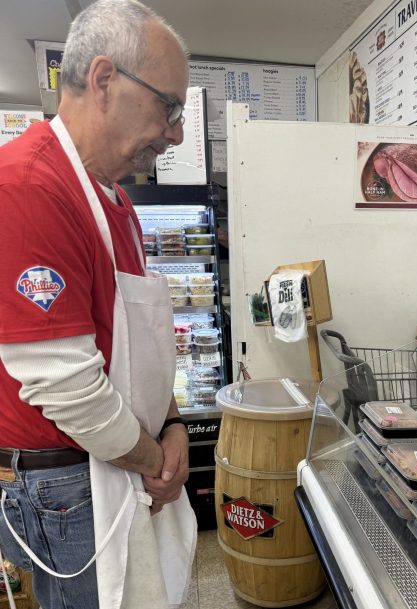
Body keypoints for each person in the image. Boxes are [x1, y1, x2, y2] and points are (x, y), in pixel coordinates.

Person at [0, 2, 196, 608]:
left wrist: (174, 427)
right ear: (106, 80)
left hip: (119, 461)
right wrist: (152, 462)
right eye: (170, 107)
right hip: (67, 483)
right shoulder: (30, 186)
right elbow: (63, 383)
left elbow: (145, 345)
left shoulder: (116, 203)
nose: (177, 133)